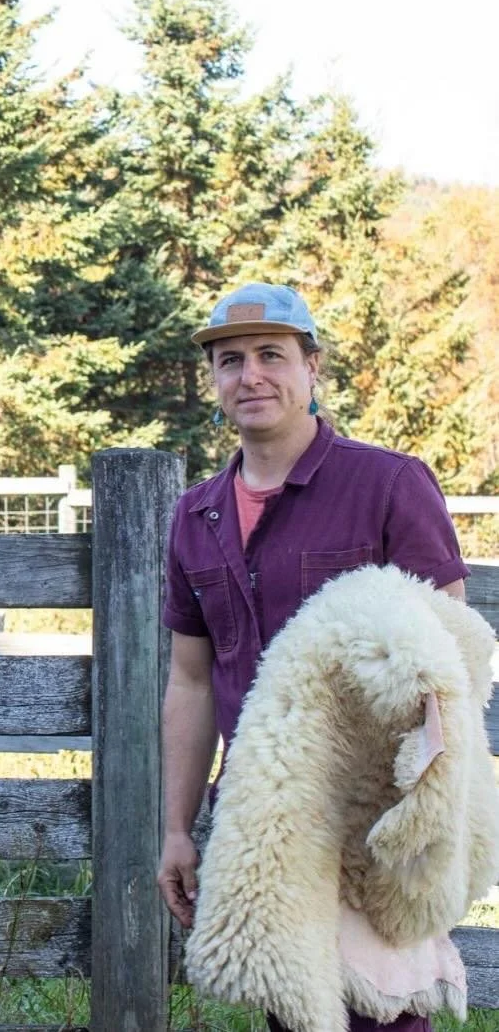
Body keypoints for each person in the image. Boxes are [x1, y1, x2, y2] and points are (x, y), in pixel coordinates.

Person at [156, 282, 469, 1032]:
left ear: (312, 367)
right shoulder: (195, 515)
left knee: (381, 1009)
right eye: (230, 361)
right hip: (264, 817)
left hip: (371, 811)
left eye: (272, 355)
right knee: (295, 1008)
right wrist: (178, 825)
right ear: (214, 381)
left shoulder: (388, 484)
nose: (251, 376)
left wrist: (423, 815)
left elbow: (448, 656)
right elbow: (192, 682)